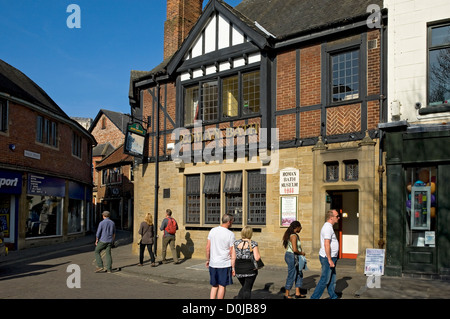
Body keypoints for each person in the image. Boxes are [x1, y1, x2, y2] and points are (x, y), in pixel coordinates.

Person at [310, 209, 340, 299]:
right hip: (327, 258)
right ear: (331, 218)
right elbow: (326, 244)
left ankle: (333, 296)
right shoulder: (327, 228)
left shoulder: (329, 227)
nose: (338, 218)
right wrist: (329, 259)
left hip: (332, 257)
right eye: (337, 216)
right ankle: (314, 298)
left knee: (332, 279)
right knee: (324, 280)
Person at [206, 213, 236, 299]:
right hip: (224, 264)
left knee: (214, 285)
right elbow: (232, 251)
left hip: (213, 263)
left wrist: (207, 260)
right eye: (232, 221)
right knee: (222, 285)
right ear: (229, 222)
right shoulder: (230, 234)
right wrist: (233, 267)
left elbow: (208, 247)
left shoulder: (213, 230)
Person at [232, 226, 261, 299]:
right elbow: (257, 258)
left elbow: (233, 257)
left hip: (238, 269)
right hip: (250, 269)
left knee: (245, 287)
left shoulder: (236, 243)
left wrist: (233, 269)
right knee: (247, 289)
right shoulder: (253, 243)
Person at [282, 220, 306, 299]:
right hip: (292, 256)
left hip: (293, 256)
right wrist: (302, 253)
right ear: (297, 227)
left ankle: (297, 293)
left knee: (299, 273)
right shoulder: (293, 236)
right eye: (300, 227)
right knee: (292, 274)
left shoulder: (294, 235)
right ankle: (287, 294)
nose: (301, 229)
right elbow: (295, 249)